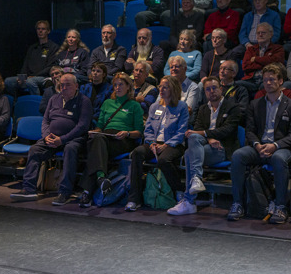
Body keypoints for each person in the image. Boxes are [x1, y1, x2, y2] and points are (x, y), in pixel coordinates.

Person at [10, 73, 92, 205]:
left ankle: (64, 192)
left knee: (70, 150)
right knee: (35, 149)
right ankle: (29, 189)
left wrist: (62, 139)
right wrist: (46, 136)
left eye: (68, 85)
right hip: (51, 137)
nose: (64, 88)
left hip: (73, 139)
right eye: (62, 85)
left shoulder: (84, 101)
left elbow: (82, 126)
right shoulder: (54, 98)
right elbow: (46, 120)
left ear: (76, 86)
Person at [228, 64, 291, 224]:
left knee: (279, 159)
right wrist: (257, 145)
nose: (268, 83)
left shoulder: (289, 105)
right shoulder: (255, 104)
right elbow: (250, 131)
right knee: (238, 156)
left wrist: (275, 145)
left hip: (281, 148)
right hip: (259, 146)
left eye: (272, 79)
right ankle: (237, 203)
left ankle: (281, 206)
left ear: (281, 81)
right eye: (265, 80)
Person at [167, 77, 240, 216]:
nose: (211, 91)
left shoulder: (232, 107)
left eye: (214, 88)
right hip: (205, 147)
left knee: (189, 153)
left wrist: (206, 134)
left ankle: (189, 201)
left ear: (221, 89)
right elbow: (198, 127)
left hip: (223, 148)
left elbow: (227, 130)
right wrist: (210, 137)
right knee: (192, 143)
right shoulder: (203, 109)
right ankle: (195, 182)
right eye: (208, 89)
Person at [78, 72, 144, 208]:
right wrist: (94, 132)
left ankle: (88, 190)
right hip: (105, 137)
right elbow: (100, 126)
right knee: (97, 140)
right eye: (115, 85)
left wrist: (127, 133)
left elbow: (139, 132)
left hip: (123, 139)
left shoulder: (134, 105)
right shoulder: (107, 103)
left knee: (95, 149)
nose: (117, 87)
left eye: (121, 85)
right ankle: (101, 179)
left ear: (128, 87)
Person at [125, 75, 189, 212]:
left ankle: (179, 191)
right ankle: (134, 198)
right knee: (137, 153)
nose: (161, 89)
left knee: (164, 160)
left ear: (173, 89)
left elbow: (182, 131)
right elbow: (148, 129)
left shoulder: (181, 106)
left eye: (165, 87)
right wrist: (152, 142)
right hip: (154, 143)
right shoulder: (155, 106)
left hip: (173, 144)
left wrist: (166, 145)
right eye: (160, 86)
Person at [4, 20, 59, 96]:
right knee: (8, 81)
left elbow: (50, 67)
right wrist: (21, 77)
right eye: (38, 29)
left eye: (43, 29)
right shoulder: (32, 48)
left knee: (30, 82)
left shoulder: (53, 47)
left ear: (48, 31)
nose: (40, 31)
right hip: (29, 77)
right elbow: (25, 65)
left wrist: (35, 76)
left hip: (43, 77)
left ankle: (37, 104)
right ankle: (16, 102)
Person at [238, 23, 285, 94]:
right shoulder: (251, 49)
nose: (260, 35)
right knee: (236, 84)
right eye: (258, 33)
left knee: (265, 85)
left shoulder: (278, 48)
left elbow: (277, 64)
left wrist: (256, 59)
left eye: (263, 32)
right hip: (251, 80)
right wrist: (265, 63)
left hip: (270, 79)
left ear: (271, 34)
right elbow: (245, 67)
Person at [167, 55, 200, 125]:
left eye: (177, 66)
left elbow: (186, 111)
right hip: (165, 121)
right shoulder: (166, 86)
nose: (173, 69)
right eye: (171, 67)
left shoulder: (193, 87)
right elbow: (158, 105)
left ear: (185, 69)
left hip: (183, 124)